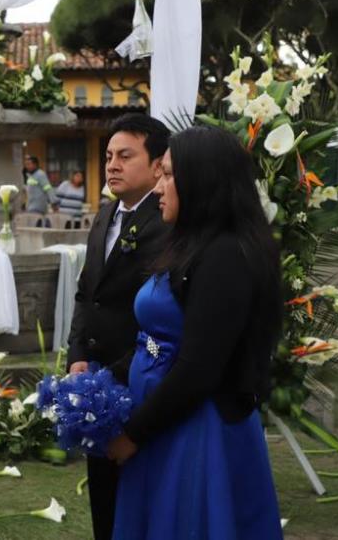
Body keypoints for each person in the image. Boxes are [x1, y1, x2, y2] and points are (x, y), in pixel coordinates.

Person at [108, 125, 283, 539]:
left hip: (198, 436)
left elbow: (200, 367)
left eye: (168, 174)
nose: (159, 184)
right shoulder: (190, 243)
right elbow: (157, 338)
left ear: (201, 182)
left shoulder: (225, 255)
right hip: (168, 424)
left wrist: (132, 435)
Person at [66, 114, 170, 540]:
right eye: (108, 156)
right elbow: (85, 292)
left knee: (139, 496)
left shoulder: (166, 223)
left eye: (125, 156)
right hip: (95, 380)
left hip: (140, 378)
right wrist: (77, 358)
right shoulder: (105, 214)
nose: (112, 165)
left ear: (158, 164)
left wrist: (115, 373)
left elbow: (164, 318)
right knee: (103, 499)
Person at [23, 155, 58, 224]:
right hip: (31, 207)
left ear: (35, 164)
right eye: (26, 164)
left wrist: (53, 202)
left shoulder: (40, 174)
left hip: (38, 207)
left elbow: (48, 188)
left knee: (39, 227)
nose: (27, 166)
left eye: (29, 164)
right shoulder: (30, 176)